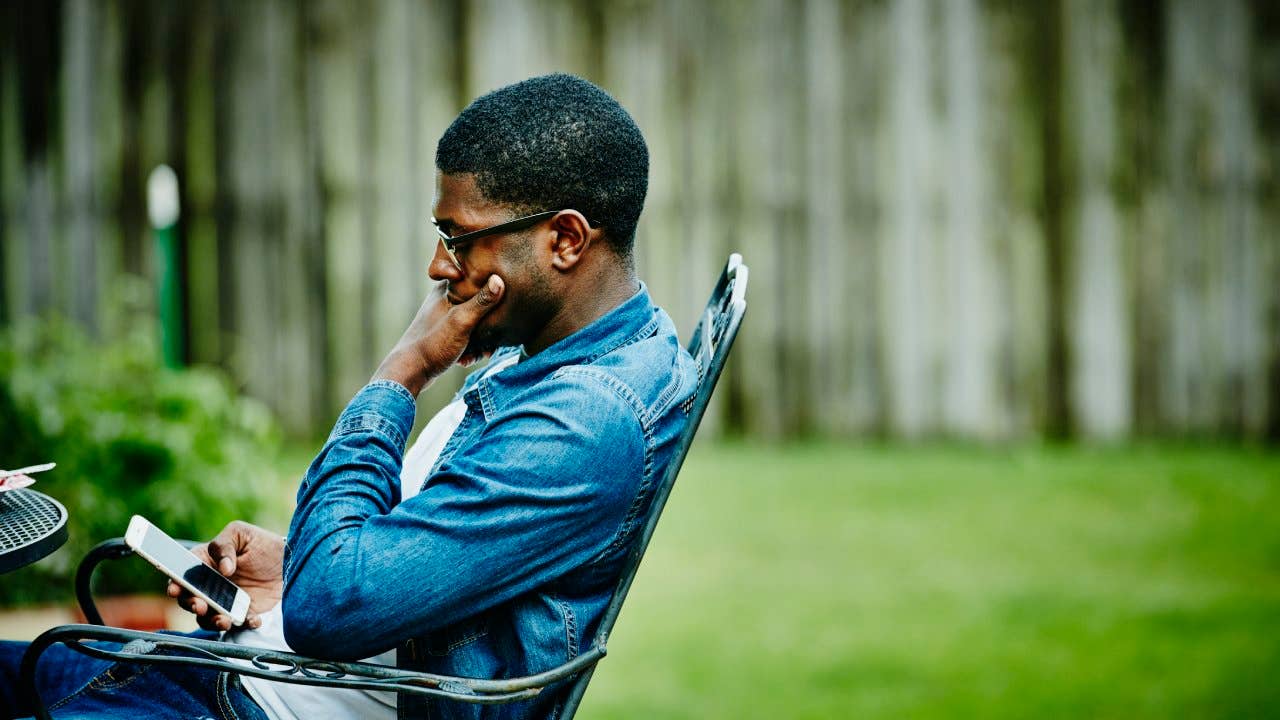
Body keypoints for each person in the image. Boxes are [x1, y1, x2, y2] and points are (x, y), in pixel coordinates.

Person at [1, 73, 697, 720]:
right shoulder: (562, 353)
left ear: (566, 240)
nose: (439, 265)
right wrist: (292, 568)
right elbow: (418, 560)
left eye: (460, 238)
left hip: (249, 704)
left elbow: (330, 608)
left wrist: (400, 374)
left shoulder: (583, 421)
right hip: (238, 667)